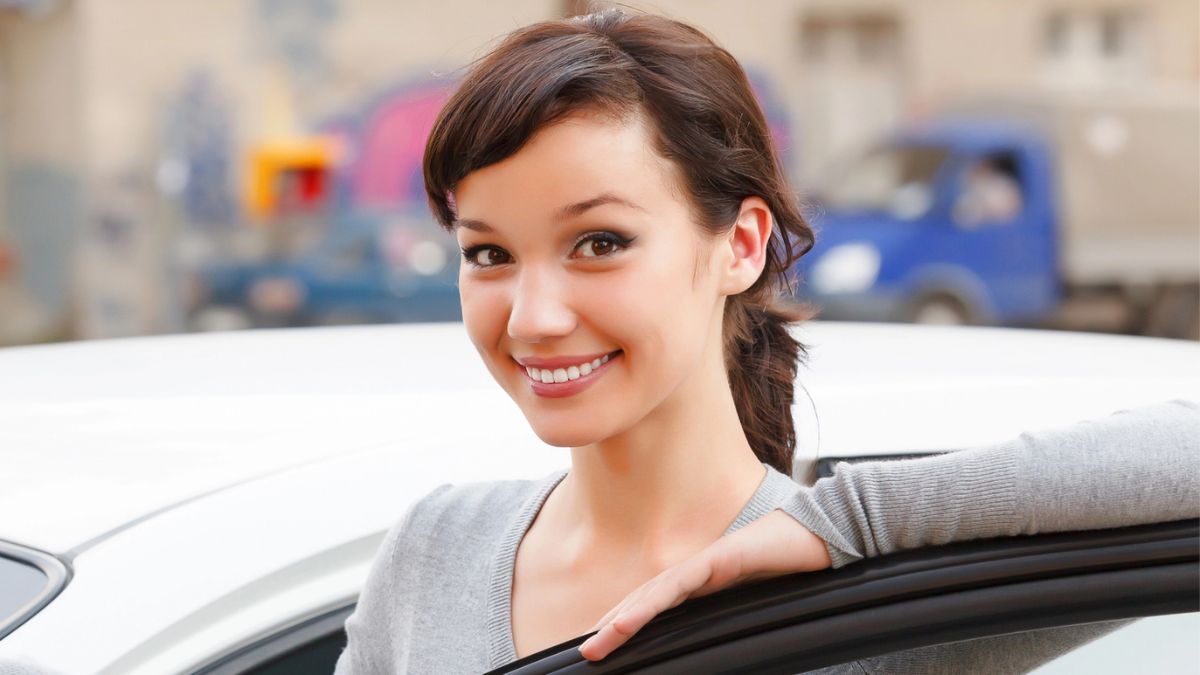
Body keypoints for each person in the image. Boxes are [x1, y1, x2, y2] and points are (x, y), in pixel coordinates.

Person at [332, 9, 1199, 673]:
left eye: (599, 242)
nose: (531, 316)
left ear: (741, 246)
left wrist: (844, 524)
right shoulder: (432, 554)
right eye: (488, 252)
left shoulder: (885, 603)